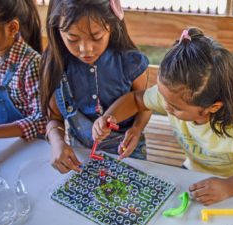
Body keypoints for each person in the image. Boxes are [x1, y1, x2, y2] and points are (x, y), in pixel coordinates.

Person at [93, 27, 233, 205]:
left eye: (175, 107)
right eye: (162, 98)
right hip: (193, 173)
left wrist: (228, 187)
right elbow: (136, 100)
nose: (165, 106)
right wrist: (109, 118)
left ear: (213, 107)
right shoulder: (172, 96)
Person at [40, 0, 151, 174]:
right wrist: (57, 143)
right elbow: (53, 117)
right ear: (57, 30)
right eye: (72, 38)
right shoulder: (56, 66)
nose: (85, 49)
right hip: (81, 154)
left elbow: (145, 104)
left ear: (112, 25)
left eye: (96, 37)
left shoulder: (130, 63)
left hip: (127, 150)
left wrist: (136, 129)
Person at [0, 0, 46, 141]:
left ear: (12, 28)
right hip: (4, 142)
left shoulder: (31, 63)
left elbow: (43, 120)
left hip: (33, 147)